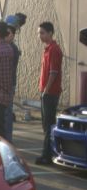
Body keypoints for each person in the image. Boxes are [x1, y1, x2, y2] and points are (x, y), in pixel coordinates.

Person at [35, 21, 63, 165]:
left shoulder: (54, 50)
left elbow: (53, 72)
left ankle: (47, 155)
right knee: (46, 124)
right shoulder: (47, 49)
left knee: (49, 124)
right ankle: (48, 152)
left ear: (50, 33)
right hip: (45, 92)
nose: (39, 36)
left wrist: (46, 90)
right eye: (39, 33)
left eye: (42, 33)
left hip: (50, 93)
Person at [4, 16, 21, 143]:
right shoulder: (6, 46)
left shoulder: (12, 49)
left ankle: (8, 140)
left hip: (9, 85)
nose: (5, 35)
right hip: (4, 84)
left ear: (13, 35)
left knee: (7, 113)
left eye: (8, 33)